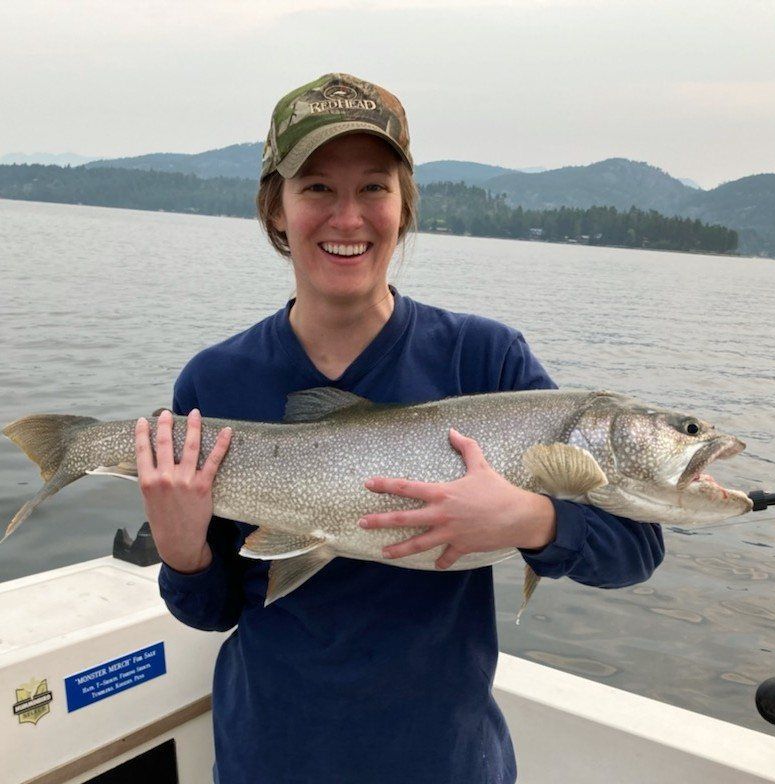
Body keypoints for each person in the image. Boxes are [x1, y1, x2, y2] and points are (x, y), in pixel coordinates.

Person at [136, 73, 664, 784]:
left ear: (404, 205)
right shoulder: (216, 381)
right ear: (277, 210)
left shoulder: (485, 360)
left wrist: (532, 519)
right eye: (317, 187)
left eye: (374, 188)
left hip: (443, 761)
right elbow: (215, 610)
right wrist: (181, 552)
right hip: (270, 756)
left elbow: (636, 548)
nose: (347, 217)